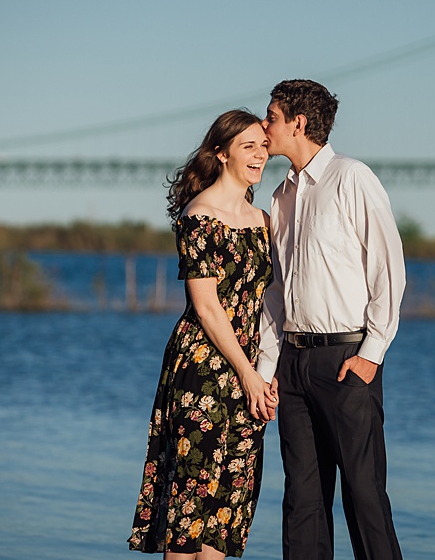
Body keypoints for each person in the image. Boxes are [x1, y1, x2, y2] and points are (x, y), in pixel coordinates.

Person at [256, 79, 406, 560]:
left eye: (272, 116)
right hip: (293, 368)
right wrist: (266, 370)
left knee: (364, 499)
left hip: (346, 361)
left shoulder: (352, 178)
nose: (265, 125)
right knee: (301, 502)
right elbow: (276, 294)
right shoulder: (279, 197)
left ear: (298, 123)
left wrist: (371, 354)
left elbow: (388, 269)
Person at [129, 109, 280, 559]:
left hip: (250, 371)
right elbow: (207, 308)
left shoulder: (264, 221)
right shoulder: (199, 216)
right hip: (203, 369)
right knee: (190, 508)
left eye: (263, 145)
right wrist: (249, 375)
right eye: (247, 146)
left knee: (227, 509)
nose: (259, 154)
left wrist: (265, 373)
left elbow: (271, 305)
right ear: (221, 153)